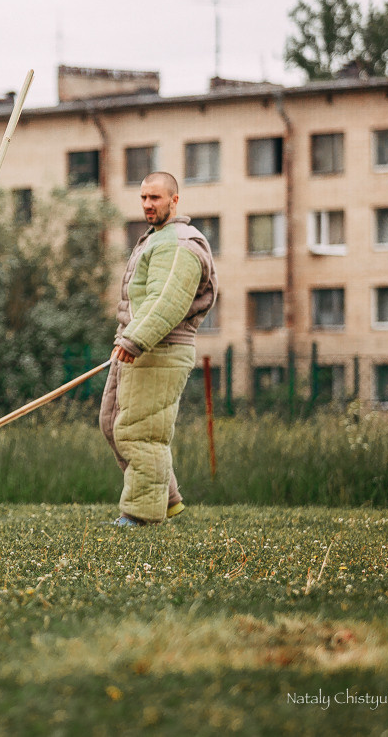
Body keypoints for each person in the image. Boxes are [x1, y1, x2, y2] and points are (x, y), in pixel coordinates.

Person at [99, 171, 218, 526]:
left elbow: (167, 301)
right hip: (138, 344)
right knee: (112, 424)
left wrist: (135, 340)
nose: (148, 205)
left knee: (140, 433)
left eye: (156, 198)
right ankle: (166, 500)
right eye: (144, 198)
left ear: (174, 200)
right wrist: (127, 339)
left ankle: (141, 515)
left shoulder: (179, 243)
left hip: (158, 348)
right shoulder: (158, 238)